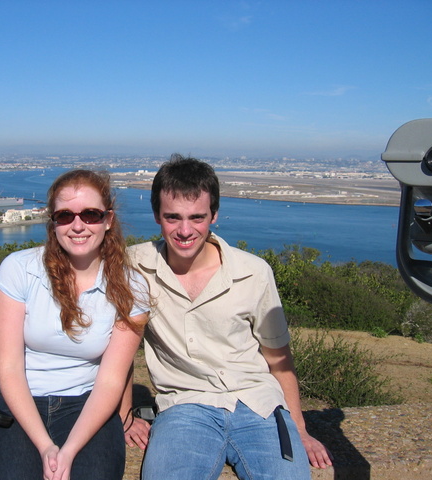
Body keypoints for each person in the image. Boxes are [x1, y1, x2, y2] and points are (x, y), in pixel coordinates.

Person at [121, 155, 332, 480]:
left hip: (258, 404)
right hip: (184, 405)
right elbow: (117, 350)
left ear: (214, 215)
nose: (185, 230)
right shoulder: (134, 266)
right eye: (173, 217)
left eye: (197, 217)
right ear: (156, 217)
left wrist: (299, 429)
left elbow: (279, 361)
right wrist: (123, 418)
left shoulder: (253, 273)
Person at [0, 169, 149, 480]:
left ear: (108, 220)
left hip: (87, 402)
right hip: (17, 398)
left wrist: (68, 451)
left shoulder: (131, 287)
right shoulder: (20, 270)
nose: (78, 225)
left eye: (91, 214)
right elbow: (10, 368)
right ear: (52, 223)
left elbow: (111, 380)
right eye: (65, 216)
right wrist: (46, 447)